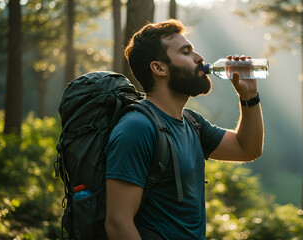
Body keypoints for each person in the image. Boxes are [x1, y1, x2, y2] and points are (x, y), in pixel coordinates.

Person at [104, 19, 264, 240]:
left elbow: (247, 149)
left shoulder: (192, 123)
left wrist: (249, 97)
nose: (199, 58)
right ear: (159, 68)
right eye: (186, 52)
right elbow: (118, 224)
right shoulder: (137, 128)